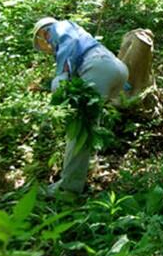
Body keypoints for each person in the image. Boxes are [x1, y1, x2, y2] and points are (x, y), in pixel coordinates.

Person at [33, 18, 128, 194]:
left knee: (78, 129)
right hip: (117, 69)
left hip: (99, 67)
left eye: (44, 38)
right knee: (90, 124)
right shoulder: (78, 33)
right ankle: (89, 167)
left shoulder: (60, 27)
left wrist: (59, 78)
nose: (47, 42)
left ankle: (68, 188)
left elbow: (67, 54)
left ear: (44, 32)